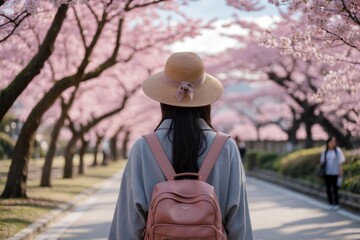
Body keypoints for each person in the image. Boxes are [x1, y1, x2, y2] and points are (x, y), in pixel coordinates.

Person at [108, 52, 254, 240]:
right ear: (205, 101)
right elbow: (239, 222)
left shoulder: (143, 147)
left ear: (163, 100)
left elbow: (128, 222)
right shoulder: (227, 147)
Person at [320, 136, 345, 210]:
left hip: (335, 172)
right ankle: (330, 203)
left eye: (333, 142)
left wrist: (340, 171)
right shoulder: (325, 151)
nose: (332, 143)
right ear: (327, 143)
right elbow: (322, 162)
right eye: (330, 142)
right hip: (327, 172)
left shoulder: (338, 151)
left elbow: (340, 162)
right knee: (328, 188)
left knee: (335, 188)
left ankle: (336, 203)